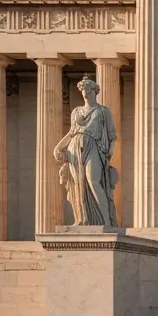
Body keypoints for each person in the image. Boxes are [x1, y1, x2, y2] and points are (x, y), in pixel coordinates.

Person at [54, 76, 118, 228]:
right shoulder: (76, 111)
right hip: (74, 148)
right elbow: (71, 132)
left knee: (93, 181)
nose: (85, 92)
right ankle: (81, 219)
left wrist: (110, 151)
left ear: (95, 91)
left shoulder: (103, 111)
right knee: (78, 184)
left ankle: (106, 221)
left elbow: (111, 134)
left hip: (94, 146)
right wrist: (59, 147)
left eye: (88, 89)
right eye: (83, 89)